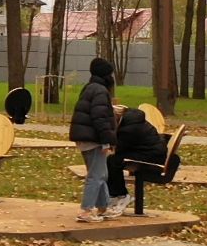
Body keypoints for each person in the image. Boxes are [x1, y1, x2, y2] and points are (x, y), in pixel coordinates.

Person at [69, 57, 118, 222]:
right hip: (94, 139)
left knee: (101, 174)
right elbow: (100, 118)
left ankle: (103, 207)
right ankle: (86, 211)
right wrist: (106, 141)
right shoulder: (100, 91)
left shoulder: (90, 88)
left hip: (85, 137)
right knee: (96, 175)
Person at [104, 106, 172, 217]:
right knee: (112, 160)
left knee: (113, 161)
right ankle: (115, 194)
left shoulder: (128, 129)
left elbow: (117, 149)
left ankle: (121, 195)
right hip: (152, 152)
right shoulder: (131, 120)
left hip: (152, 156)